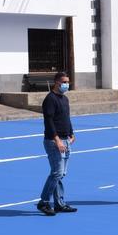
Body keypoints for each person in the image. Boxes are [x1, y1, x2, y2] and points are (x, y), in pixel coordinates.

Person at [37, 72, 76, 216]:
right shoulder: (50, 99)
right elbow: (49, 121)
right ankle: (44, 202)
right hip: (54, 141)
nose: (66, 84)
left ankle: (59, 203)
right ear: (56, 82)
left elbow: (66, 117)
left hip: (65, 139)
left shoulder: (64, 99)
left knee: (61, 174)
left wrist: (71, 133)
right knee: (57, 172)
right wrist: (57, 139)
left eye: (68, 82)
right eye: (64, 82)